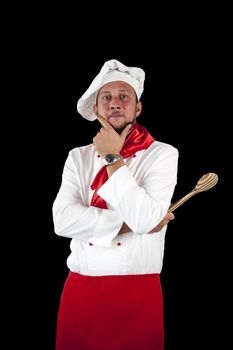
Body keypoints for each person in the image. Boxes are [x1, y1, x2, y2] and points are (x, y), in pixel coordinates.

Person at [52, 59, 179, 350]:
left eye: (124, 96)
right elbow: (62, 221)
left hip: (139, 292)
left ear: (138, 107)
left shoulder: (163, 154)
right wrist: (126, 223)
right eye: (106, 97)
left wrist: (112, 157)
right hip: (80, 290)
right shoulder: (77, 157)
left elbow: (146, 221)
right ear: (96, 109)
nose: (115, 103)